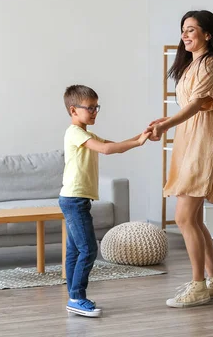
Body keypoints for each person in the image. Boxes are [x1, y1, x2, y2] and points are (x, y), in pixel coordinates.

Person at [148, 10, 213, 308]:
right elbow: (190, 105)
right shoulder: (192, 65)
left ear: (208, 34)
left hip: (204, 142)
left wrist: (166, 125)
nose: (185, 35)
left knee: (183, 217)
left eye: (191, 30)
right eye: (183, 30)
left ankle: (198, 285)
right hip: (190, 138)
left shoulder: (212, 64)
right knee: (193, 217)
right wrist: (169, 120)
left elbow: (199, 104)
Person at [60, 84, 151, 317]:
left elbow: (114, 146)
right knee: (89, 249)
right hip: (74, 200)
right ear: (73, 110)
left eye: (96, 107)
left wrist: (143, 136)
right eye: (90, 108)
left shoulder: (86, 134)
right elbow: (106, 150)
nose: (94, 112)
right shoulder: (75, 133)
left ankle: (74, 296)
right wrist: (139, 141)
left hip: (76, 199)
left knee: (75, 250)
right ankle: (77, 297)